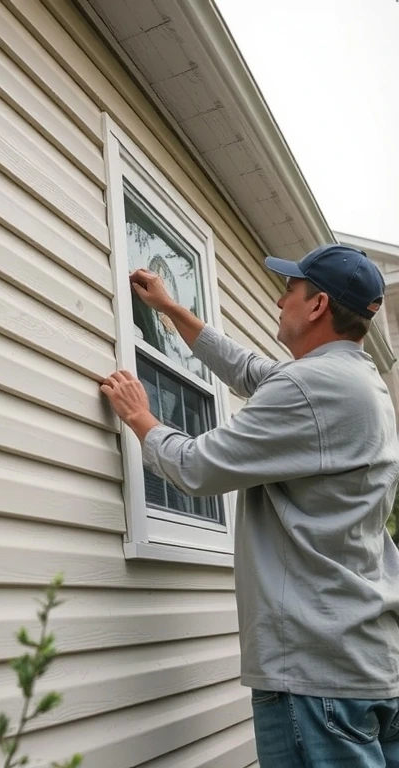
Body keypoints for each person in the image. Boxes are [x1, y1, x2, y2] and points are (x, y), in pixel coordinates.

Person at [101, 244, 399, 768]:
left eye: (290, 289)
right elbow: (252, 371)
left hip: (315, 675)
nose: (279, 300)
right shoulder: (360, 382)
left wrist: (140, 416)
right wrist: (172, 310)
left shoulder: (310, 386)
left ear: (317, 305)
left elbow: (196, 468)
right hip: (365, 664)